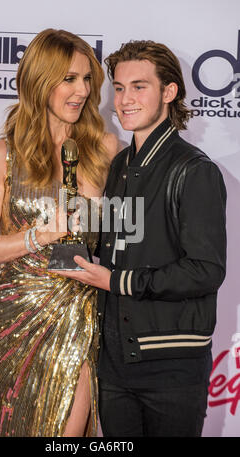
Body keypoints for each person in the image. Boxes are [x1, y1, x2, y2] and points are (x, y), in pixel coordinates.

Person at [58, 40, 227, 437]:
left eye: (139, 86)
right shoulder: (119, 164)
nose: (124, 99)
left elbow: (205, 271)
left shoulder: (195, 170)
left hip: (171, 368)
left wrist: (116, 282)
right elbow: (116, 243)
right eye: (118, 88)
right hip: (115, 364)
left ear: (169, 92)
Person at [0, 28, 118, 437]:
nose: (82, 90)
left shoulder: (105, 149)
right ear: (39, 82)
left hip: (78, 311)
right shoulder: (4, 155)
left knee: (69, 433)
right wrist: (39, 236)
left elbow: (121, 232)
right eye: (69, 78)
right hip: (11, 315)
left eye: (87, 79)